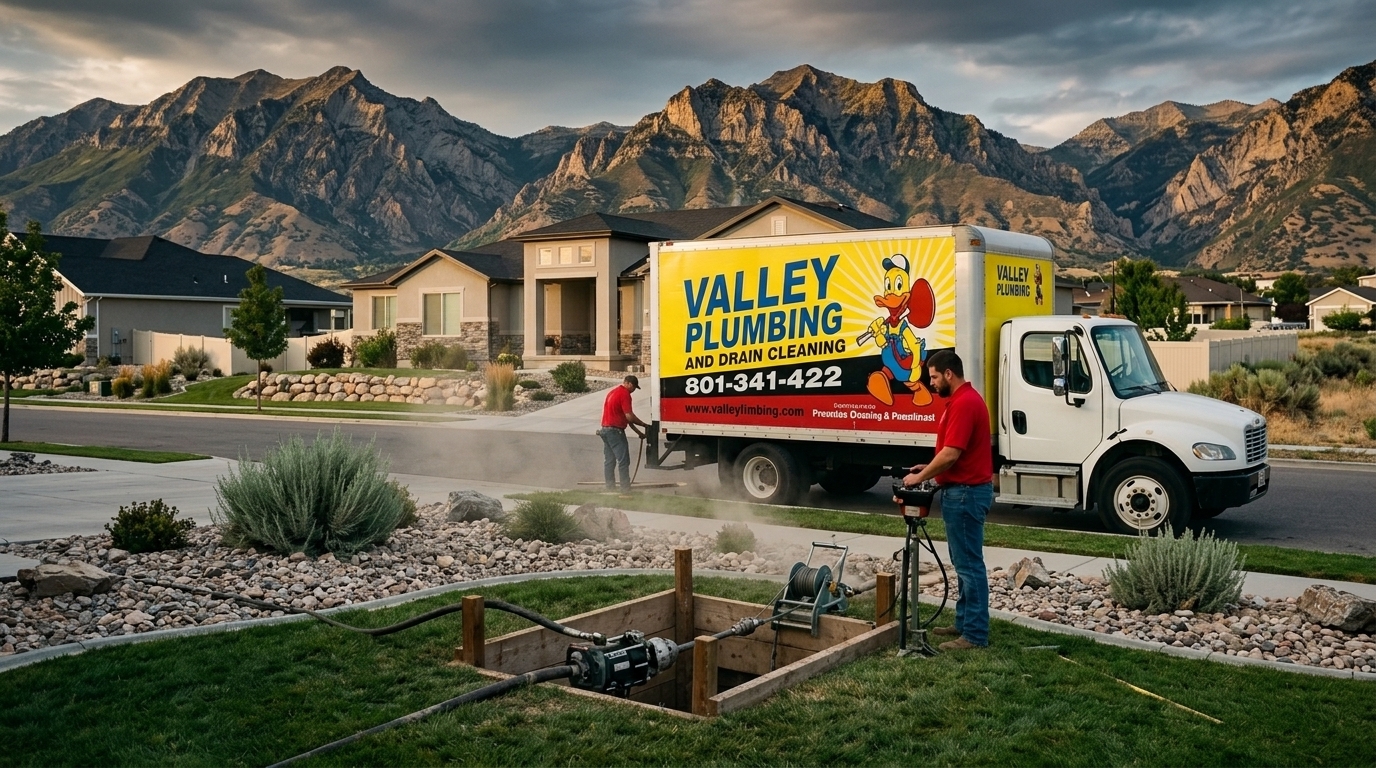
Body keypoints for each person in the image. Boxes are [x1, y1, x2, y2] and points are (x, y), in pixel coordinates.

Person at [897, 349, 994, 651]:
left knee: (969, 566)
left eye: (935, 377)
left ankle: (975, 635)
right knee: (962, 562)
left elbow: (952, 453)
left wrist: (920, 477)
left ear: (949, 374)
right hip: (962, 492)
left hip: (966, 493)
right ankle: (964, 623)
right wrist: (925, 469)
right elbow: (948, 451)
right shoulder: (962, 400)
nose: (932, 383)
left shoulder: (965, 403)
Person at [599, 374, 649, 493]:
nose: (633, 391)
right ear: (629, 384)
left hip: (605, 430)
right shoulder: (625, 394)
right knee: (623, 460)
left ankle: (610, 487)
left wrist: (639, 433)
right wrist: (644, 425)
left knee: (609, 460)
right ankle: (625, 489)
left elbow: (625, 418)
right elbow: (629, 417)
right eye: (634, 387)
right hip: (615, 431)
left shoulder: (613, 392)